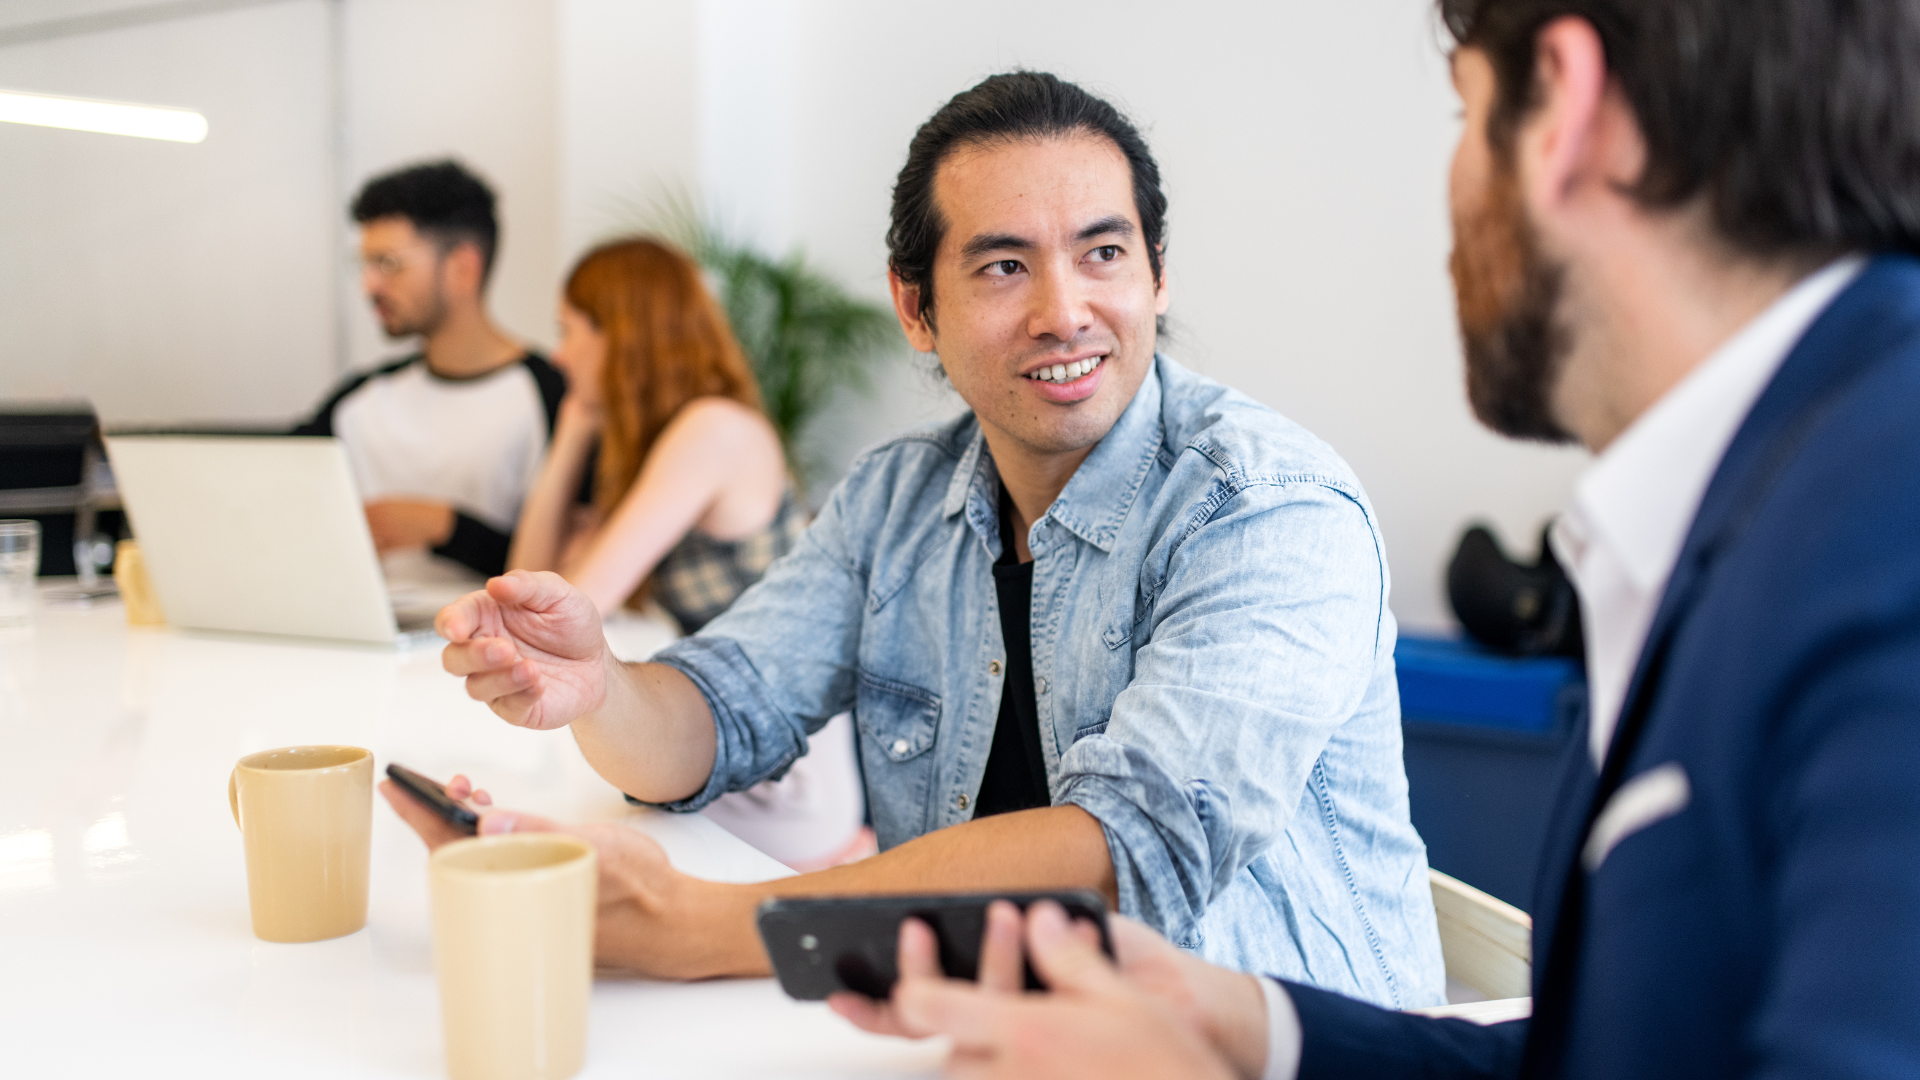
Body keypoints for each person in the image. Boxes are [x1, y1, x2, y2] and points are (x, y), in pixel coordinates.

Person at [831, 2, 1920, 1078]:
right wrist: (1253, 1031)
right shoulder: (1768, 509)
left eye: (1464, 118)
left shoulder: (1881, 526)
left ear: (1566, 110)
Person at [388, 72, 1445, 1004]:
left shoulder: (1268, 507)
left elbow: (1127, 852)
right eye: (1001, 268)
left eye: (1103, 253)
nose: (1064, 310)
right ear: (915, 305)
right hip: (973, 1024)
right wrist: (602, 688)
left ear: (1156, 277)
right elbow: (716, 713)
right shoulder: (897, 501)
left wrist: (693, 925)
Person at [512, 236, 868, 871]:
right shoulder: (664, 442)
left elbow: (570, 607)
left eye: (570, 332)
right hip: (724, 735)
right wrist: (572, 432)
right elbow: (529, 584)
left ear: (619, 337)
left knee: (564, 825)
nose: (560, 356)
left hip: (784, 764)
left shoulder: (713, 431)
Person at [294, 159, 564, 578]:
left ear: (462, 268)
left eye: (389, 264)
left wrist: (449, 529)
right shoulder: (360, 399)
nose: (370, 286)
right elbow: (274, 476)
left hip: (492, 635)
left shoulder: (552, 396)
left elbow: (575, 559)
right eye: (366, 265)